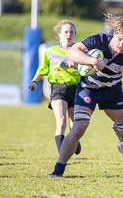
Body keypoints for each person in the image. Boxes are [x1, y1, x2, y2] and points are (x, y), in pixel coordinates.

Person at [48, 13, 123, 177]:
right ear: (114, 33)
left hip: (113, 92)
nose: (122, 44)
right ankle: (58, 170)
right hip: (88, 88)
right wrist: (92, 61)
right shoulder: (99, 40)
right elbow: (71, 53)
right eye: (120, 39)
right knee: (78, 129)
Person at [28, 19, 82, 157]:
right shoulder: (51, 51)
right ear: (59, 34)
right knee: (62, 121)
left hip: (76, 89)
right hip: (58, 89)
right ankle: (62, 157)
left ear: (75, 34)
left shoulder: (80, 51)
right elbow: (43, 68)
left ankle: (74, 139)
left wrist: (78, 66)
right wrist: (34, 81)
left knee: (75, 125)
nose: (68, 34)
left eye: (71, 32)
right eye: (66, 32)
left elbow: (89, 69)